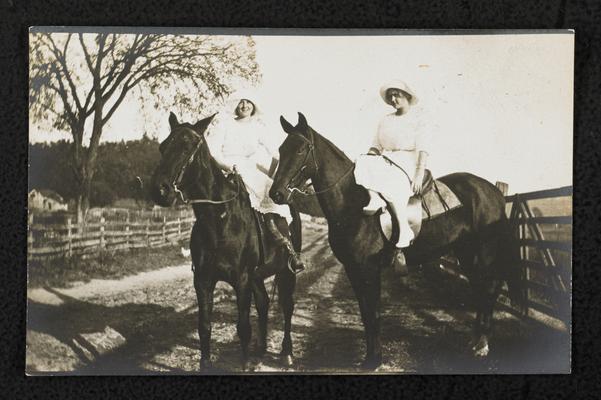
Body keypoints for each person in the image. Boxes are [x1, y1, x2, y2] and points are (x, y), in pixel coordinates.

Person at [207, 93, 305, 273]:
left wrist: (272, 173)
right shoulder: (224, 124)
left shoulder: (258, 127)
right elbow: (214, 152)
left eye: (248, 102)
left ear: (254, 105)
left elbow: (276, 153)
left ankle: (285, 245)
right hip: (225, 168)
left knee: (271, 195)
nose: (244, 105)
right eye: (241, 102)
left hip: (249, 168)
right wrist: (228, 166)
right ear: (236, 105)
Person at [354, 80, 430, 269]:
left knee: (391, 182)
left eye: (397, 95)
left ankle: (404, 230)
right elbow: (375, 145)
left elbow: (423, 148)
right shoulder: (385, 120)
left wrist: (419, 172)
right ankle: (374, 199)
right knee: (361, 160)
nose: (394, 99)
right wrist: (368, 160)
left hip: (408, 161)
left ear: (407, 97)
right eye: (391, 96)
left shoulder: (417, 119)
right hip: (386, 160)